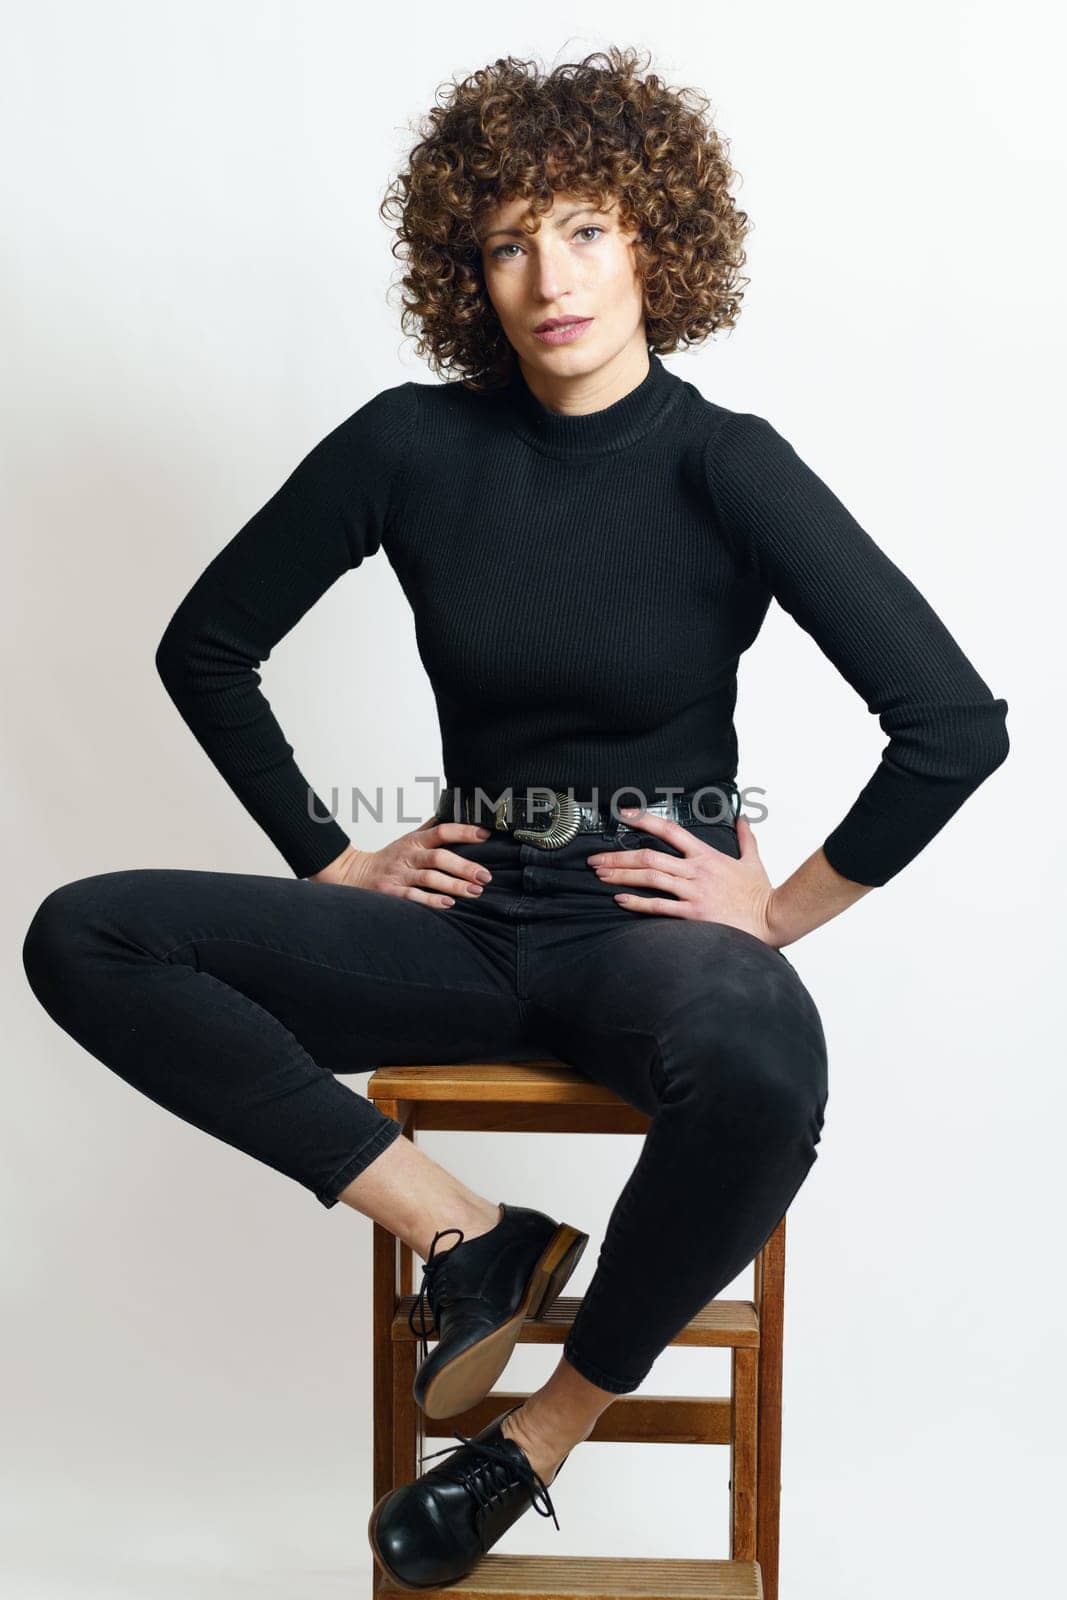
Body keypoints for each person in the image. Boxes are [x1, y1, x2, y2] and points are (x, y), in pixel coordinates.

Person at [20, 46, 1009, 1589]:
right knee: (88, 935)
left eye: (588, 228)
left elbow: (954, 726)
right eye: (506, 240)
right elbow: (204, 646)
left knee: (762, 1064)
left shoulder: (724, 463)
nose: (550, 275)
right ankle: (466, 1233)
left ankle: (535, 1437)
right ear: (463, 270)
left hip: (648, 937)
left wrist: (775, 909)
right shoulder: (413, 447)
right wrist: (334, 858)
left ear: (655, 240)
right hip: (467, 926)